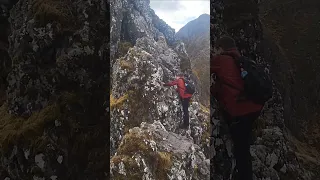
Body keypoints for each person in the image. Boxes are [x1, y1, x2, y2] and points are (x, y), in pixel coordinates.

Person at [211, 36, 264, 180]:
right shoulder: (240, 60)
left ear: (221, 48)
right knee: (244, 143)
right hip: (254, 107)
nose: (214, 52)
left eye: (215, 49)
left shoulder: (221, 60)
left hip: (240, 111)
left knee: (241, 151)